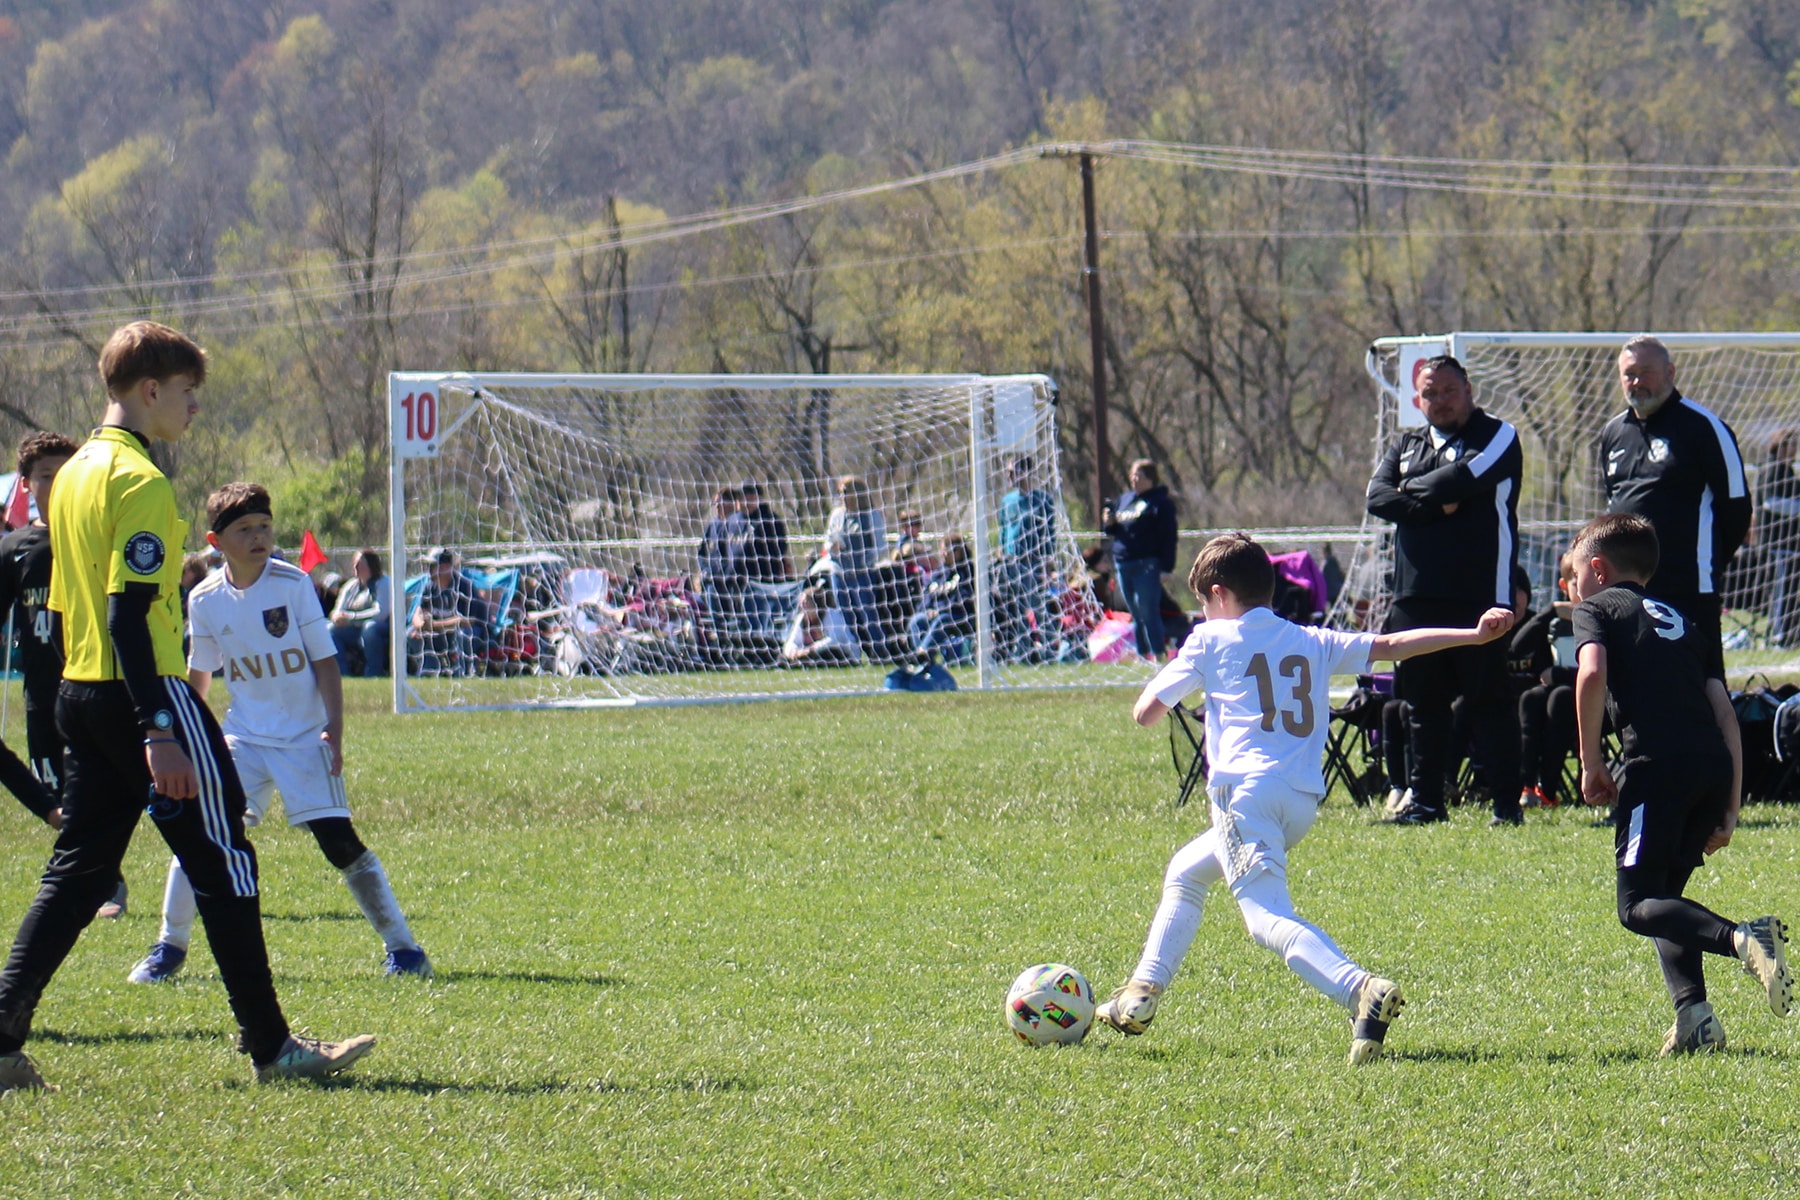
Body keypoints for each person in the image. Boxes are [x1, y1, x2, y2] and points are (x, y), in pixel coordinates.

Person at [0, 321, 373, 1092]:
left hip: (81, 689)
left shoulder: (69, 476)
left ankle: (1, 1038)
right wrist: (160, 726)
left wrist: (91, 703)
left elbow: (76, 610)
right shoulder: (137, 480)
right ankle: (274, 1049)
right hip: (148, 693)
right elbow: (129, 614)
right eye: (188, 393)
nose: (194, 408)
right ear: (149, 391)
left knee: (77, 871)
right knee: (226, 854)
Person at [1093, 533, 1516, 1063]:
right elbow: (1391, 646)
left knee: (1265, 918)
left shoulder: (1209, 640)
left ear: (1219, 595)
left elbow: (1146, 711)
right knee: (1186, 871)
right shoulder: (1311, 640)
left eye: (1203, 604)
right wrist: (1473, 636)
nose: (1203, 615)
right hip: (1299, 802)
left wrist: (1189, 674)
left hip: (1243, 794)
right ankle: (1142, 991)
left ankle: (1360, 988)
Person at [128, 482, 430, 985]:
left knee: (339, 844)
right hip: (243, 739)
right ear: (215, 540)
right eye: (244, 529)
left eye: (264, 526)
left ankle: (403, 948)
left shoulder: (292, 586)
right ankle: (169, 947)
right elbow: (198, 676)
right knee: (200, 832)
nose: (258, 537)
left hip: (304, 738)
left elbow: (326, 662)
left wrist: (334, 728)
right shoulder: (203, 598)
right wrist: (184, 738)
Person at [1568, 512, 1791, 1055]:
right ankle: (1695, 1016)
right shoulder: (1685, 619)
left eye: (1573, 576)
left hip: (1657, 769)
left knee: (1637, 905)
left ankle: (1742, 937)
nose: (1572, 588)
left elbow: (1591, 673)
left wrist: (1591, 759)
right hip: (1711, 766)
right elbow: (1725, 713)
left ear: (1596, 569)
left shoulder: (1595, 608)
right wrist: (1731, 806)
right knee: (1668, 896)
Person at [1365, 354, 1525, 827]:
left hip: (1480, 591)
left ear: (1469, 390)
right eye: (1429, 394)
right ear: (1418, 399)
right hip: (1415, 594)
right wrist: (1433, 506)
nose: (1439, 401)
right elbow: (1377, 496)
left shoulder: (1497, 435)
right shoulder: (1407, 442)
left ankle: (1505, 807)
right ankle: (1427, 804)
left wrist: (1408, 491)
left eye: (1448, 390)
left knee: (1488, 702)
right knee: (1422, 704)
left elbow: (1465, 477)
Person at [1599, 334, 1750, 679]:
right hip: (1628, 591)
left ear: (1670, 372)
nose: (1636, 381)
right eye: (1629, 373)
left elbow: (1737, 510)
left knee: (1700, 688)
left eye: (1646, 371)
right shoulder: (1612, 433)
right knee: (1635, 689)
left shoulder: (1705, 428)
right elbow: (1612, 503)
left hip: (1688, 589)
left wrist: (1703, 562)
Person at [0, 435, 105, 879]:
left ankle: (100, 879)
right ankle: (93, 869)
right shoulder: (13, 549)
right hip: (43, 696)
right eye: (45, 475)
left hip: (98, 687)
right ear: (25, 485)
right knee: (59, 796)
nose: (57, 482)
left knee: (103, 789)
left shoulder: (97, 536)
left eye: (66, 472)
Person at [1513, 553, 1578, 809]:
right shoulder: (1559, 622)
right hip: (1564, 696)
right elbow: (1518, 647)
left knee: (1560, 695)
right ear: (1564, 586)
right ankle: (1527, 785)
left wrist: (1561, 674)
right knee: (1534, 697)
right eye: (1576, 581)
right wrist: (1550, 611)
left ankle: (1548, 790)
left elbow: (1607, 673)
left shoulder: (1609, 617)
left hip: (1602, 705)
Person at [1103, 459, 1177, 661]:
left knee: (1148, 610)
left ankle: (1158, 653)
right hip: (1124, 563)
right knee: (1135, 613)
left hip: (1147, 564)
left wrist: (1166, 567)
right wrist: (1108, 522)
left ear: (1151, 478)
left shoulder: (1160, 502)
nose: (1134, 479)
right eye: (1132, 475)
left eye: (1139, 475)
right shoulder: (1125, 500)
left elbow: (1168, 536)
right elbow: (1114, 530)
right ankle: (1143, 654)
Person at [997, 455, 1057, 660]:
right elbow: (1004, 528)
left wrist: (1048, 560)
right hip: (1011, 561)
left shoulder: (1042, 500)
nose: (1009, 476)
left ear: (1026, 472)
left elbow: (1049, 532)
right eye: (1007, 472)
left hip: (1033, 561)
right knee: (1016, 608)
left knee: (1038, 606)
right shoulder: (1007, 501)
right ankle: (1023, 650)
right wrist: (1001, 550)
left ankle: (1049, 649)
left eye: (1013, 472)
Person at [824, 475, 886, 650]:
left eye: (846, 492)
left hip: (863, 573)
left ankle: (879, 650)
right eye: (840, 492)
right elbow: (828, 539)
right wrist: (832, 547)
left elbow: (881, 545)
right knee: (845, 613)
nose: (842, 496)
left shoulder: (871, 515)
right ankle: (854, 649)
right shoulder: (836, 515)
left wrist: (866, 559)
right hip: (839, 571)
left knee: (868, 613)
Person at [408, 547, 490, 675]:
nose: (429, 569)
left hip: (470, 634)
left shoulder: (463, 587)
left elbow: (466, 621)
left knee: (464, 634)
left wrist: (432, 626)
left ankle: (463, 672)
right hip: (440, 633)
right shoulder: (430, 586)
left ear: (446, 567)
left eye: (433, 565)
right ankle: (430, 671)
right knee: (411, 634)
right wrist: (420, 625)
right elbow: (418, 612)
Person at [1757, 429, 1800, 648]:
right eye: (1791, 444)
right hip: (1776, 546)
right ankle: (1778, 637)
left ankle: (1790, 634)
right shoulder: (1772, 469)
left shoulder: (1788, 471)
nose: (1795, 449)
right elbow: (1770, 501)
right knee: (1780, 592)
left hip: (1791, 546)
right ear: (1780, 445)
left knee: (1791, 592)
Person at [907, 533, 975, 661]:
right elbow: (926, 596)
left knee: (942, 620)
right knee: (917, 620)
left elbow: (964, 600)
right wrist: (927, 610)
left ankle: (923, 655)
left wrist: (940, 610)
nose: (944, 554)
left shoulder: (968, 572)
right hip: (936, 615)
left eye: (948, 551)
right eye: (942, 551)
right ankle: (923, 658)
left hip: (959, 617)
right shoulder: (939, 572)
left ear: (959, 552)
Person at [737, 481, 791, 635]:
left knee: (762, 621)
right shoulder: (735, 520)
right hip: (738, 581)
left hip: (763, 581)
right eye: (741, 498)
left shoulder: (770, 519)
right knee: (743, 623)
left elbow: (780, 548)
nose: (744, 502)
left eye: (748, 497)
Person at [330, 549, 392, 677]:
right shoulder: (351, 585)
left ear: (371, 564)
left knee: (370, 628)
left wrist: (352, 618)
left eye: (360, 563)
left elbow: (381, 613)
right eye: (355, 563)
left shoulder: (384, 583)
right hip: (355, 629)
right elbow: (338, 609)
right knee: (330, 629)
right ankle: (343, 673)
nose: (356, 567)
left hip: (383, 628)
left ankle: (373, 673)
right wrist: (337, 617)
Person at [697, 486, 748, 628]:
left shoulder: (739, 523)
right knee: (717, 620)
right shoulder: (712, 526)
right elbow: (702, 552)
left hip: (734, 581)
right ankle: (720, 644)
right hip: (714, 581)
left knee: (737, 619)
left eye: (721, 503)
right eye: (715, 503)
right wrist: (705, 570)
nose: (717, 507)